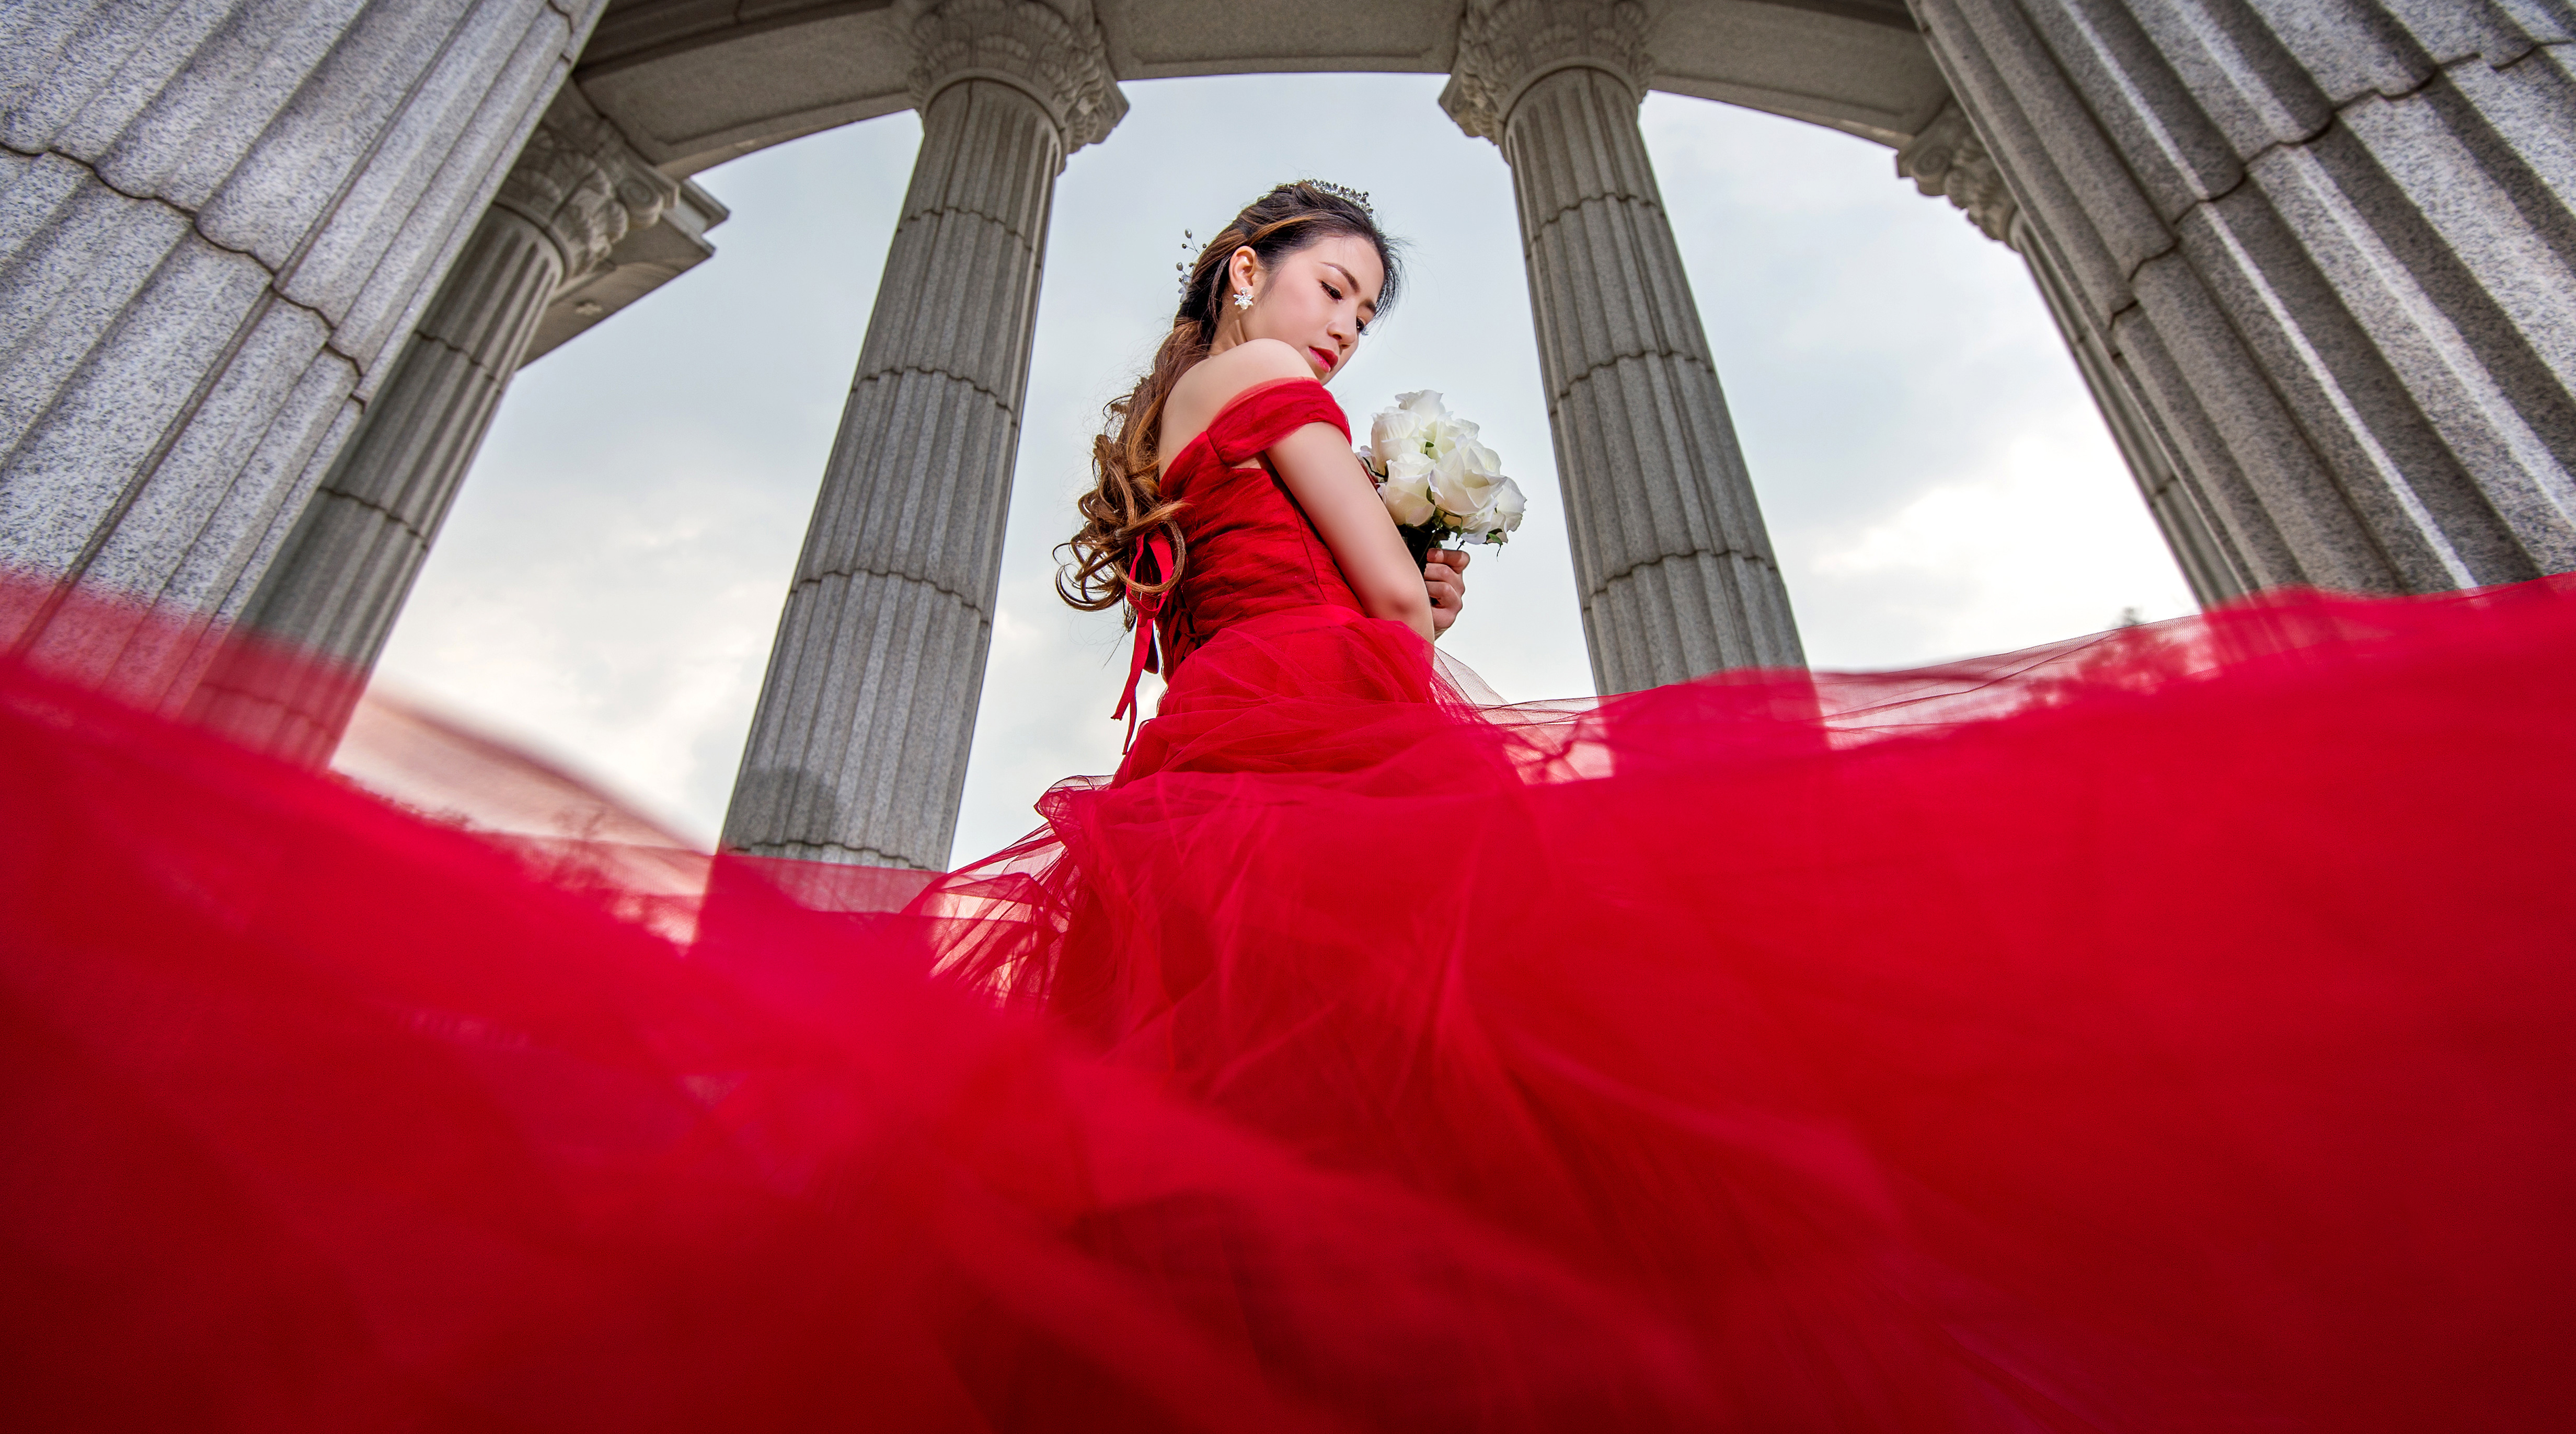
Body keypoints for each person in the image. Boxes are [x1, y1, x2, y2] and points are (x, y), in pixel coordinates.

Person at [7, 182, 2576, 1432]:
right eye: (1332, 283)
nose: (1345, 321)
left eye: (1360, 310)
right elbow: (1383, 602)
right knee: (1576, 1076)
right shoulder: (1280, 404)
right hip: (1324, 749)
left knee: (1193, 1125)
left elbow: (1211, 590)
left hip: (1190, 774)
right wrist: (1428, 553)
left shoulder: (1149, 425)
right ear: (1249, 270)